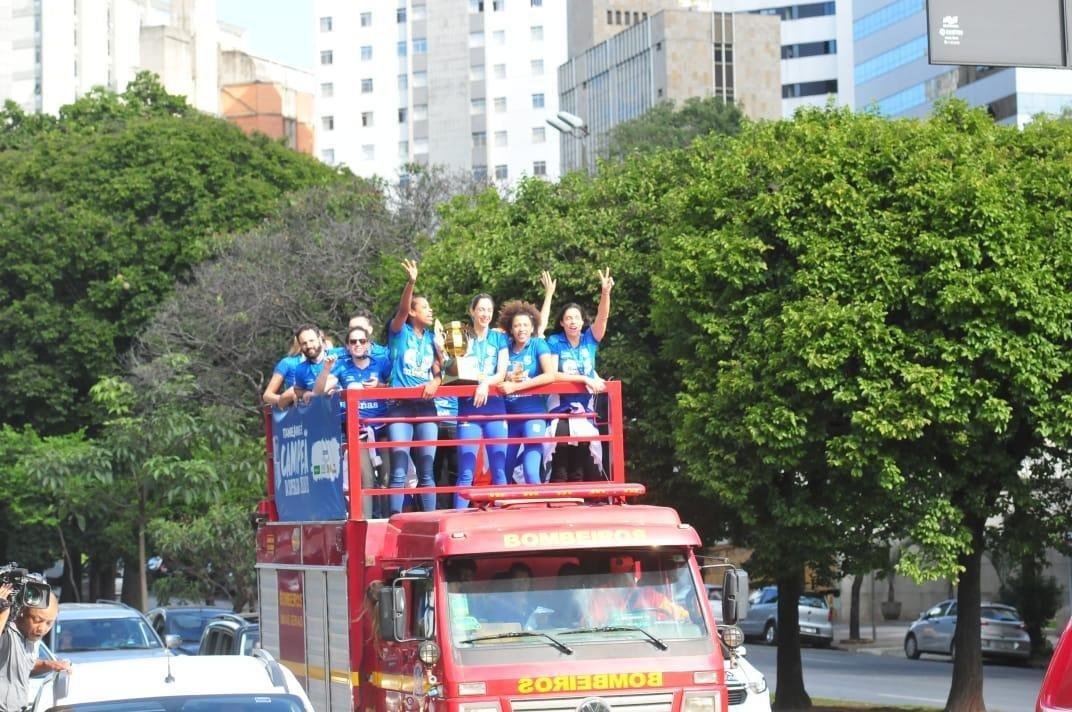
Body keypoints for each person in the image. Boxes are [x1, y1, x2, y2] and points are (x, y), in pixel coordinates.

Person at [314, 324, 392, 517]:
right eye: (353, 341)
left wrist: (380, 386)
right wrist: (326, 369)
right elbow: (318, 391)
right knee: (365, 478)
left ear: (368, 344)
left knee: (387, 478)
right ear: (347, 346)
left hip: (381, 427)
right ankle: (366, 522)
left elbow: (396, 383)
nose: (357, 344)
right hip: (358, 430)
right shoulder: (342, 367)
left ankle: (387, 520)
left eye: (362, 341)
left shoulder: (381, 363)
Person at [546, 268, 614, 482]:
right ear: (562, 323)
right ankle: (557, 499)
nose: (573, 321)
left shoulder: (589, 340)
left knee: (581, 453)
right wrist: (584, 378)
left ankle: (578, 500)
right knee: (562, 447)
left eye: (577, 318)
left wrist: (605, 293)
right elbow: (553, 374)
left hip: (585, 408)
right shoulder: (555, 342)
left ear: (583, 322)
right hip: (560, 407)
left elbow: (602, 319)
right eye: (568, 318)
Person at [385, 259, 441, 515]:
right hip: (400, 408)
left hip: (427, 407)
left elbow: (442, 372)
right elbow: (402, 311)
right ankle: (393, 522)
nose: (430, 311)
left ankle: (429, 521)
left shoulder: (432, 339)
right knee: (399, 468)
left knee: (427, 470)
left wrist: (435, 381)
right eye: (425, 308)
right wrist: (411, 282)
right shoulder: (400, 333)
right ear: (414, 313)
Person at [453, 294, 509, 508]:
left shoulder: (499, 338)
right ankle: (457, 522)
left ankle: (503, 518)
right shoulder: (461, 336)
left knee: (499, 469)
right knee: (466, 470)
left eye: (489, 310)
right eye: (481, 309)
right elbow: (455, 370)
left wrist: (485, 384)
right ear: (472, 311)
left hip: (495, 409)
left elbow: (501, 373)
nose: (485, 314)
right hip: (469, 409)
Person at [498, 300, 557, 484]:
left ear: (532, 328)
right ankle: (504, 511)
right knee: (503, 473)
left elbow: (550, 375)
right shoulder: (504, 348)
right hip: (508, 417)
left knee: (531, 471)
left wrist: (515, 387)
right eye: (516, 325)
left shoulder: (538, 345)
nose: (521, 329)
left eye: (525, 325)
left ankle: (538, 511)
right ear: (510, 329)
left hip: (533, 415)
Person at [0, 584, 69, 712]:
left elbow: (22, 668)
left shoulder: (31, 637)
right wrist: (3, 612)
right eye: (37, 620)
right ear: (22, 613)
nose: (42, 628)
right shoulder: (7, 633)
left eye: (49, 623)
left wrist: (49, 665)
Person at [262, 335, 302, 408]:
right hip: (296, 411)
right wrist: (287, 398)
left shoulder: (325, 362)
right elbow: (267, 395)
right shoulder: (288, 363)